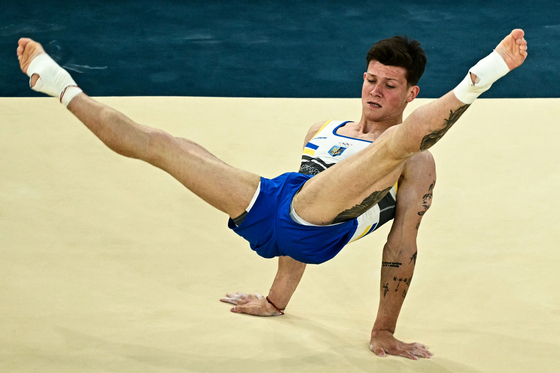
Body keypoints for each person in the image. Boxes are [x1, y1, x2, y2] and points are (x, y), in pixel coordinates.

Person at [16, 29, 527, 361]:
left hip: (326, 228)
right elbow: (291, 218)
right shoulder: (322, 128)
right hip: (273, 209)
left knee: (392, 147)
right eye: (371, 80)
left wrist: (383, 330)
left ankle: (481, 77)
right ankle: (60, 86)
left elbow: (402, 245)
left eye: (390, 86)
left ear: (412, 94)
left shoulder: (416, 159)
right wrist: (276, 300)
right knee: (161, 145)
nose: (375, 92)